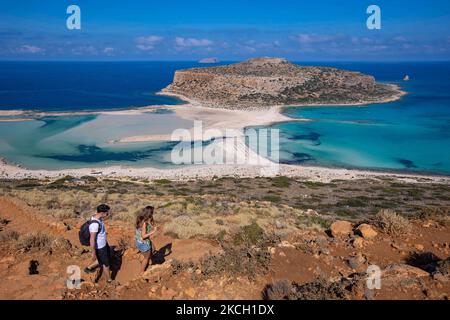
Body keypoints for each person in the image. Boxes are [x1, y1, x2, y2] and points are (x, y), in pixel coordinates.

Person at [84, 204, 113, 283]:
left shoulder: (97, 216)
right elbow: (92, 239)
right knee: (106, 264)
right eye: (107, 213)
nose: (108, 214)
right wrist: (93, 253)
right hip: (100, 247)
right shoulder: (95, 224)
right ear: (102, 213)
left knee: (103, 259)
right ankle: (109, 280)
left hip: (103, 243)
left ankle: (89, 268)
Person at [135, 206, 157, 274]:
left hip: (139, 241)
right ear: (149, 213)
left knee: (153, 248)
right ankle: (142, 272)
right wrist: (153, 231)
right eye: (152, 212)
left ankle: (146, 259)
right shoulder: (144, 223)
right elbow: (143, 236)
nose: (153, 213)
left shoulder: (141, 218)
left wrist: (152, 225)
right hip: (144, 243)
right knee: (146, 258)